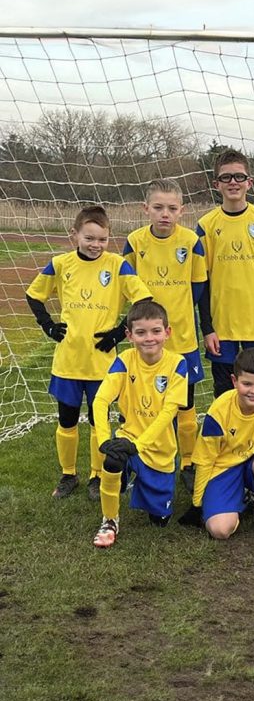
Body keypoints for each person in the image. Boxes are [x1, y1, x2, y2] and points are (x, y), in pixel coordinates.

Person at [25, 205, 151, 500]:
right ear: (75, 235)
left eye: (102, 239)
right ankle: (68, 474)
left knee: (99, 423)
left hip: (102, 364)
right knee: (67, 421)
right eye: (89, 238)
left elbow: (143, 298)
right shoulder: (60, 264)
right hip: (68, 361)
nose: (96, 245)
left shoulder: (118, 265)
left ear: (109, 237)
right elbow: (34, 295)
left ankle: (97, 476)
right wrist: (48, 325)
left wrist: (119, 333)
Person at [123, 179, 207, 493]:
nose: (164, 214)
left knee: (185, 406)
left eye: (172, 208)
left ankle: (187, 462)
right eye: (158, 207)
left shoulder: (191, 241)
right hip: (145, 342)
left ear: (181, 211)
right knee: (146, 405)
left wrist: (179, 313)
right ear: (146, 209)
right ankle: (144, 459)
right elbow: (127, 284)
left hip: (182, 339)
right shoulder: (134, 241)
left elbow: (198, 287)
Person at [91, 301, 188, 547]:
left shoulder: (178, 364)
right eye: (141, 332)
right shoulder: (124, 360)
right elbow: (101, 400)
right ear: (129, 335)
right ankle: (110, 520)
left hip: (159, 449)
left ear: (167, 333)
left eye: (156, 331)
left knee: (160, 520)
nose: (149, 338)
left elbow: (168, 413)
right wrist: (104, 441)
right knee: (112, 459)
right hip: (129, 438)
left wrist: (140, 445)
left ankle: (140, 485)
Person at [178, 348, 254, 540]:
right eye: (247, 383)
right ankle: (239, 497)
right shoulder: (218, 411)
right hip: (223, 468)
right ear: (234, 381)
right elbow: (205, 461)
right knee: (220, 531)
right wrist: (196, 504)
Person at [196, 149, 254, 397]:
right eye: (226, 177)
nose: (233, 182)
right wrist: (207, 328)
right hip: (220, 326)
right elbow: (201, 280)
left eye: (239, 176)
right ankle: (225, 437)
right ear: (216, 184)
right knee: (224, 392)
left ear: (250, 182)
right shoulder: (206, 226)